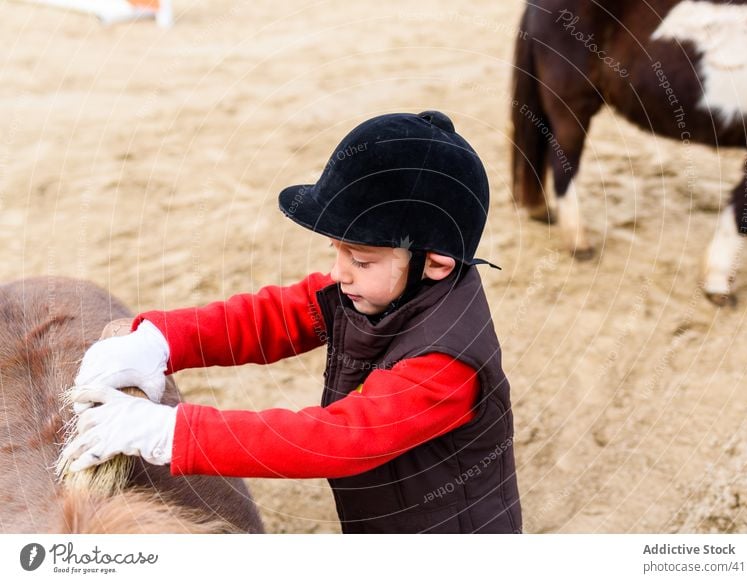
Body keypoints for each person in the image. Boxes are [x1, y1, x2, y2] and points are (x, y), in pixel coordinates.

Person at [63, 110, 522, 534]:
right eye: (336, 250)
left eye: (360, 259)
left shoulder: (446, 365)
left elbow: (337, 439)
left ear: (436, 264)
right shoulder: (374, 288)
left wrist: (171, 432)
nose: (340, 272)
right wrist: (162, 340)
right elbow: (273, 316)